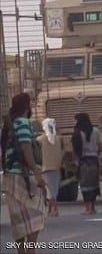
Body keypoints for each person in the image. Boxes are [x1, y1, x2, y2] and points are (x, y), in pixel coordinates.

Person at [0, 93, 46, 252]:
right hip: (24, 176)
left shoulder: (9, 125)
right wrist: (37, 173)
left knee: (18, 218)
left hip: (10, 177)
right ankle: (31, 250)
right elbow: (26, 148)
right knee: (36, 214)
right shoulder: (25, 123)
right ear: (27, 106)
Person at [72, 113, 102, 215]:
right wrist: (97, 154)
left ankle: (87, 208)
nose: (74, 122)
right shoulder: (96, 131)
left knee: (84, 184)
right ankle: (93, 207)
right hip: (94, 160)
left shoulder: (77, 133)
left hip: (83, 160)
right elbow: (100, 145)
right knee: (94, 183)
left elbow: (76, 150)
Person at [37, 118, 64, 217]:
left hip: (45, 168)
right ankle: (51, 209)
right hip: (56, 167)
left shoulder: (39, 140)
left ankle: (54, 209)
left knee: (48, 191)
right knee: (53, 190)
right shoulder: (58, 139)